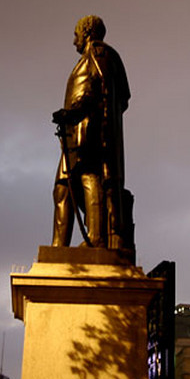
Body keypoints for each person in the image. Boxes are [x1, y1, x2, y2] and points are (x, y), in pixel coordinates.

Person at [52, 15, 133, 250]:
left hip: (90, 133)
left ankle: (96, 237)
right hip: (72, 134)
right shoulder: (92, 57)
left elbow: (101, 91)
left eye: (76, 34)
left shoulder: (100, 54)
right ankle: (59, 247)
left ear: (86, 32)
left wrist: (75, 112)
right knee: (62, 187)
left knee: (89, 178)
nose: (74, 40)